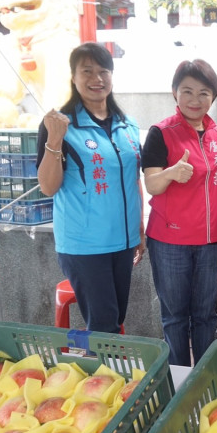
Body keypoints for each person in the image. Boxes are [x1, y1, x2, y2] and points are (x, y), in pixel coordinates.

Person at [37, 42, 145, 335]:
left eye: (103, 71)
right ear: (73, 77)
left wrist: (139, 228)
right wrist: (55, 139)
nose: (97, 79)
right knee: (103, 322)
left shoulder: (128, 125)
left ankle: (105, 373)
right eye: (87, 71)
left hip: (123, 241)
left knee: (116, 315)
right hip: (84, 244)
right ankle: (102, 377)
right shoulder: (59, 124)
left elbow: (134, 180)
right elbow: (48, 187)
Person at [141, 59, 217, 366]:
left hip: (209, 240)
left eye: (204, 93)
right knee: (176, 316)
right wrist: (171, 174)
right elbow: (152, 184)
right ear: (174, 93)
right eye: (187, 91)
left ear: (213, 97)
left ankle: (203, 375)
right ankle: (178, 377)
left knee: (205, 314)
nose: (195, 100)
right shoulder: (161, 133)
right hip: (170, 240)